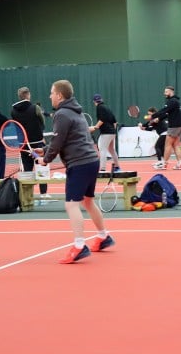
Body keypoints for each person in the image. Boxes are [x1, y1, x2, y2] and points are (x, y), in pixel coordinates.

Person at [37, 79, 114, 264]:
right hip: (91, 161)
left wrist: (45, 159)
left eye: (51, 92)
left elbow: (58, 142)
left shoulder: (62, 114)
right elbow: (65, 138)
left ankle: (79, 246)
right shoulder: (75, 112)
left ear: (59, 95)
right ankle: (103, 236)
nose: (50, 96)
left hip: (79, 163)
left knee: (71, 204)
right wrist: (46, 150)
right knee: (88, 201)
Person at [11, 86, 48, 195]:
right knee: (42, 167)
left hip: (23, 145)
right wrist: (40, 133)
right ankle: (43, 194)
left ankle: (27, 196)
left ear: (19, 96)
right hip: (37, 144)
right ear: (28, 95)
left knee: (27, 169)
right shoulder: (35, 108)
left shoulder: (13, 110)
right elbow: (42, 122)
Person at [150, 86, 181, 170]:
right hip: (180, 125)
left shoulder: (172, 101)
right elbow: (167, 113)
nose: (164, 93)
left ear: (170, 92)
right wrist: (159, 118)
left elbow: (164, 110)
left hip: (174, 126)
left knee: (167, 145)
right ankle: (180, 164)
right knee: (175, 145)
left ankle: (164, 164)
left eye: (166, 92)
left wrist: (153, 116)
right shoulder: (176, 101)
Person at [89, 94, 121, 173]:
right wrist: (113, 131)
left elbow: (102, 119)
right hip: (112, 133)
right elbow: (115, 122)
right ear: (101, 100)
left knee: (102, 149)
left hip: (106, 133)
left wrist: (95, 127)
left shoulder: (99, 107)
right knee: (111, 150)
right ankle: (117, 167)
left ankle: (102, 169)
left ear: (94, 102)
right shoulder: (107, 108)